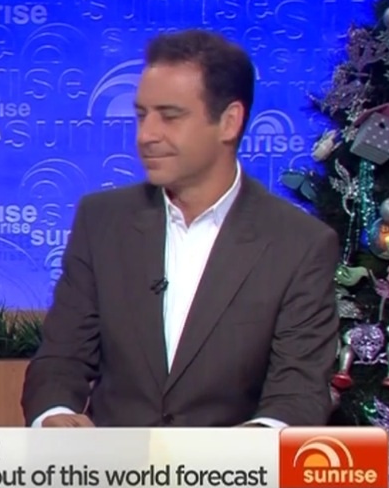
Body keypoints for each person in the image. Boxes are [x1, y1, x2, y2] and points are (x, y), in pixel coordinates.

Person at [22, 29, 340, 428]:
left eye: (170, 116)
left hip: (232, 466)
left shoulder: (299, 244)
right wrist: (55, 415)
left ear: (229, 122)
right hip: (114, 464)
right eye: (142, 115)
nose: (146, 135)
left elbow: (298, 393)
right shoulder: (101, 222)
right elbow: (60, 358)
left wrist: (244, 450)